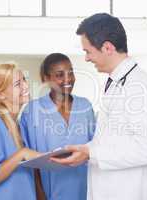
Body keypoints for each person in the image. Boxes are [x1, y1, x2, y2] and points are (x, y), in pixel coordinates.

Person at [50, 13, 147, 200]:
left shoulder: (139, 86)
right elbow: (112, 139)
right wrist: (85, 150)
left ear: (108, 47)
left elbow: (146, 149)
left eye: (88, 51)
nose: (86, 58)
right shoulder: (116, 81)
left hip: (132, 192)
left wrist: (90, 153)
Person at [20, 53, 96, 200]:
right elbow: (29, 161)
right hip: (50, 192)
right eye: (60, 75)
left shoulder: (85, 106)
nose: (68, 79)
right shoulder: (32, 110)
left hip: (85, 190)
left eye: (71, 73)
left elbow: (94, 148)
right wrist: (39, 194)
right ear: (46, 78)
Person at [0, 63, 42, 200]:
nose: (26, 87)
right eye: (17, 84)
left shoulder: (17, 124)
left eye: (24, 80)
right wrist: (22, 153)